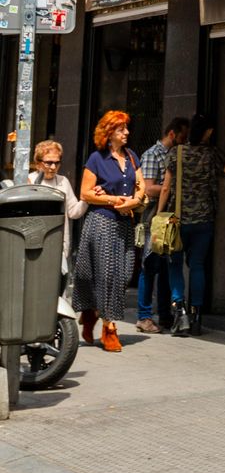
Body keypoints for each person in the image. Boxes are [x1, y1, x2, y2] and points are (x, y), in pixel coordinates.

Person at [158, 113, 225, 336]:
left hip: (178, 219)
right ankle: (196, 316)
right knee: (197, 266)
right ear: (208, 132)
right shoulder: (211, 154)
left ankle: (179, 311)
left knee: (175, 264)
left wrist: (158, 215)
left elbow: (165, 188)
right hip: (204, 220)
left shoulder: (176, 153)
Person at [73, 110, 147, 352]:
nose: (126, 133)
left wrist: (135, 202)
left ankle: (92, 312)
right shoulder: (97, 159)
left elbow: (141, 188)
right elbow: (85, 193)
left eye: (126, 128)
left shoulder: (132, 157)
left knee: (124, 274)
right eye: (121, 129)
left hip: (125, 224)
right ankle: (109, 328)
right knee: (107, 275)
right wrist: (115, 200)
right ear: (109, 133)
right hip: (102, 223)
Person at [135, 115, 190, 333]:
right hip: (154, 219)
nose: (185, 141)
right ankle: (144, 316)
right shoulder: (152, 155)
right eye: (182, 136)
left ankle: (166, 315)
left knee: (168, 267)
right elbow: (148, 188)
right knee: (149, 266)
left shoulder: (176, 155)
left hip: (170, 219)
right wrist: (174, 188)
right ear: (172, 134)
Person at [29, 138, 85, 267]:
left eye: (57, 163)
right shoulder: (29, 181)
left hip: (58, 245)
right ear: (38, 163)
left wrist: (86, 199)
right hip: (34, 243)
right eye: (49, 163)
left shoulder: (63, 181)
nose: (53, 167)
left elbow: (73, 212)